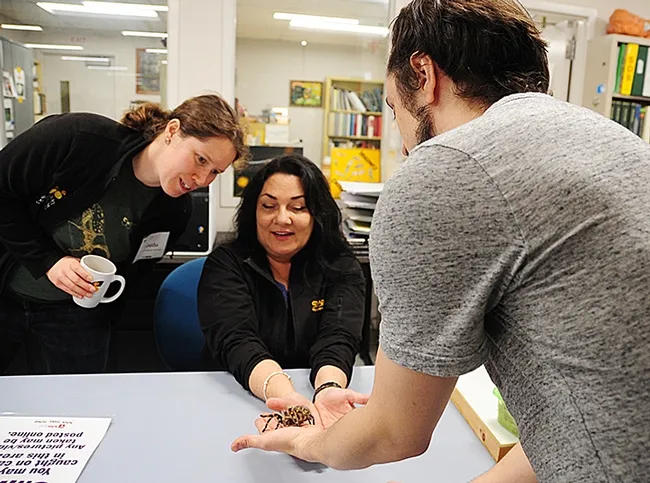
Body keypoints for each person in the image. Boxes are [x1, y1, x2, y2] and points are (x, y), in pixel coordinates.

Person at [231, 1, 650, 482]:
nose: (404, 142)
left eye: (392, 106)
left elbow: (393, 431)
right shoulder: (616, 142)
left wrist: (306, 440)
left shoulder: (442, 171)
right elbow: (590, 405)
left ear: (423, 72)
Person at [0, 94, 247, 375]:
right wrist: (49, 262)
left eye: (215, 171)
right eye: (200, 159)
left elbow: (137, 269)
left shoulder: (175, 212)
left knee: (83, 405)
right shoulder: (78, 138)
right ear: (172, 131)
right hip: (6, 287)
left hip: (76, 314)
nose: (203, 180)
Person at [198, 154, 368, 424]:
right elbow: (238, 341)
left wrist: (327, 389)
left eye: (298, 207)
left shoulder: (341, 266)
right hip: (236, 396)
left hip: (315, 396)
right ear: (253, 211)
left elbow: (338, 338)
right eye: (268, 206)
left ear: (317, 214)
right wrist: (286, 398)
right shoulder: (226, 264)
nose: (282, 218)